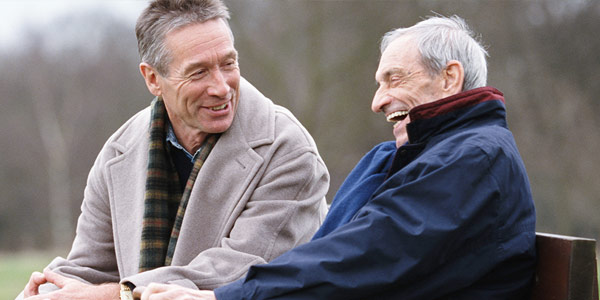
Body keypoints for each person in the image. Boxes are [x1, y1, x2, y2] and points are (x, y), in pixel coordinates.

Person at [135, 15, 537, 300]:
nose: (377, 101)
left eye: (393, 79)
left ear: (449, 78)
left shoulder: (476, 160)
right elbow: (341, 251)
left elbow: (364, 257)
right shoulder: (408, 157)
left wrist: (223, 298)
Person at [17, 0, 329, 299]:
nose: (221, 86)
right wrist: (47, 292)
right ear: (153, 78)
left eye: (228, 63)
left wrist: (122, 294)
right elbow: (89, 268)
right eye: (199, 72)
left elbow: (241, 272)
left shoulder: (288, 150)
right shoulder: (118, 153)